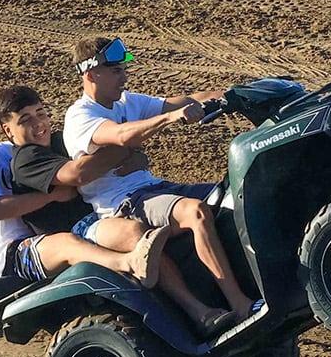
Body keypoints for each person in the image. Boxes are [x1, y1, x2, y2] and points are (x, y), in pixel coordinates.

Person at [61, 38, 257, 330]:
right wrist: (168, 118)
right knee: (196, 212)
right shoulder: (81, 116)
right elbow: (123, 135)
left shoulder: (126, 101)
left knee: (237, 194)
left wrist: (242, 93)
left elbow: (186, 100)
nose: (124, 76)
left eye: (122, 70)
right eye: (115, 71)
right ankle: (239, 304)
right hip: (125, 204)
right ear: (91, 75)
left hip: (155, 189)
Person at [0, 85, 222, 332]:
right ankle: (197, 311)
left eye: (41, 113)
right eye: (25, 120)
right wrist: (127, 143)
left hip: (100, 211)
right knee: (136, 234)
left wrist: (133, 154)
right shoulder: (27, 159)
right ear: (8, 130)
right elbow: (79, 175)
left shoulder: (60, 141)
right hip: (81, 226)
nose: (38, 124)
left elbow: (107, 165)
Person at [0, 76, 168, 289]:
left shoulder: (6, 150)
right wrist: (52, 196)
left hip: (36, 240)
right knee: (67, 243)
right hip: (8, 256)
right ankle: (128, 263)